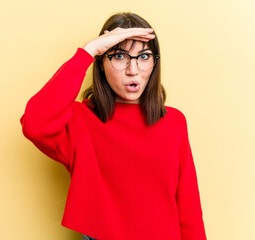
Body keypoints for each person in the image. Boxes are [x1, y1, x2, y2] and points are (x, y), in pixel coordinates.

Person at [20, 12, 207, 240]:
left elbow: (189, 207)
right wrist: (89, 51)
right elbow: (34, 123)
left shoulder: (174, 122)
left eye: (144, 56)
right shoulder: (81, 119)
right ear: (100, 64)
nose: (133, 69)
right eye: (119, 56)